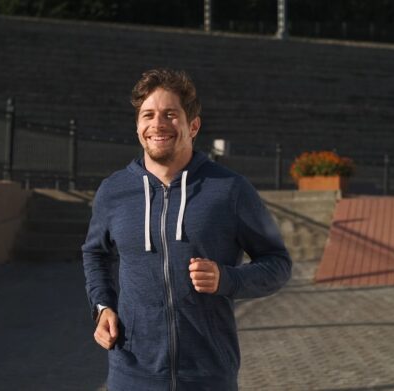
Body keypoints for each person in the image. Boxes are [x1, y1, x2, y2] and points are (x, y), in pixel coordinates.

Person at [82, 68, 292, 391]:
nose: (158, 124)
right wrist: (102, 306)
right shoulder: (114, 191)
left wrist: (228, 279)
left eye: (170, 114)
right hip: (132, 375)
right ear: (138, 126)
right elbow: (95, 253)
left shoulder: (231, 190)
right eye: (148, 115)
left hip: (208, 376)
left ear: (193, 125)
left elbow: (278, 263)